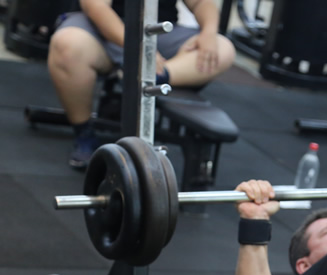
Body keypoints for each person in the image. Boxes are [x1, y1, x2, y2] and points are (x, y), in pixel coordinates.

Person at [47, 0, 236, 170]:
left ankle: (156, 76)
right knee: (67, 44)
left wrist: (209, 33)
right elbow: (95, 6)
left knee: (223, 48)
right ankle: (84, 132)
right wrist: (139, 45)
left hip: (161, 33)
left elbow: (201, 3)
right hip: (104, 29)